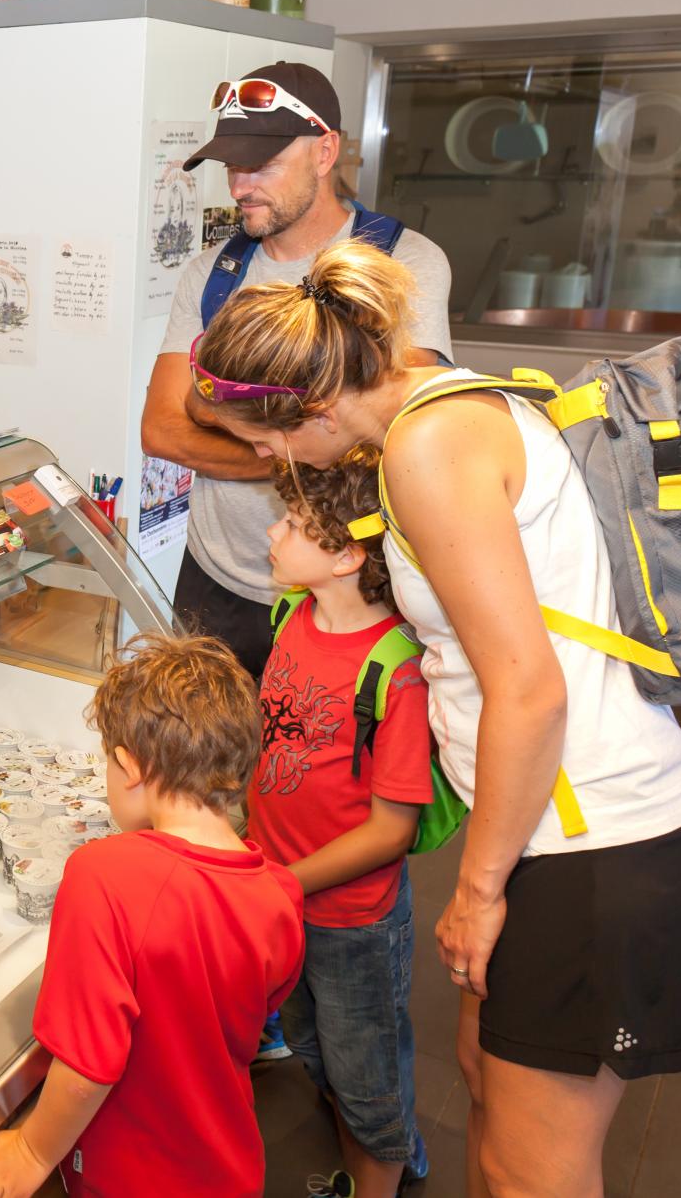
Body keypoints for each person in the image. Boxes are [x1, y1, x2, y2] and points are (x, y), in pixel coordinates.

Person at [192, 242, 681, 1197]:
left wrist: (476, 891)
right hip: (549, 835)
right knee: (485, 1087)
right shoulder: (439, 392)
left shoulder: (425, 447)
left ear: (312, 405)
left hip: (598, 842)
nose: (269, 461)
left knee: (536, 1172)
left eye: (266, 441)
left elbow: (529, 687)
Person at [0, 634, 304, 1198]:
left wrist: (33, 1149)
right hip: (227, 1165)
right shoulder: (282, 891)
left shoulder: (103, 875)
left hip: (132, 1174)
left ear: (128, 766)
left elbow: (89, 1064)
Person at [140, 61, 455, 681]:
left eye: (261, 166)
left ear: (324, 151)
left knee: (326, 774)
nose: (239, 188)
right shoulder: (210, 274)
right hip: (216, 580)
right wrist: (302, 435)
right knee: (201, 767)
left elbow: (400, 433)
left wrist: (218, 411)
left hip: (348, 592)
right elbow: (162, 432)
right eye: (232, 168)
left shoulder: (402, 264)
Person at [250, 449, 433, 1197]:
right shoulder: (293, 613)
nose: (272, 534)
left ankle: (379, 1172)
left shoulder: (398, 669)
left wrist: (283, 882)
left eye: (293, 524)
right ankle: (386, 1147)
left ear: (347, 553)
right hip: (284, 896)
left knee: (367, 1072)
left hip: (352, 918)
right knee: (315, 1047)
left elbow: (391, 830)